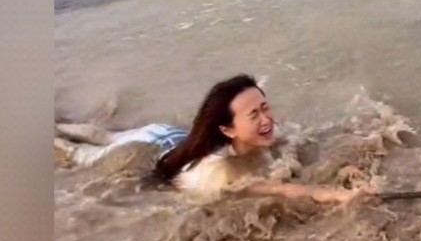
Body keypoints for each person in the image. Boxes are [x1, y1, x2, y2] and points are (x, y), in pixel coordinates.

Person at [55, 74, 372, 206]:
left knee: (103, 134)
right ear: (227, 130)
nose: (267, 119)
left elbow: (301, 142)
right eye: (254, 115)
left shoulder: (263, 137)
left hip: (170, 137)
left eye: (265, 107)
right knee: (77, 154)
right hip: (140, 153)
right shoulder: (222, 170)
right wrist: (343, 196)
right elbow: (285, 189)